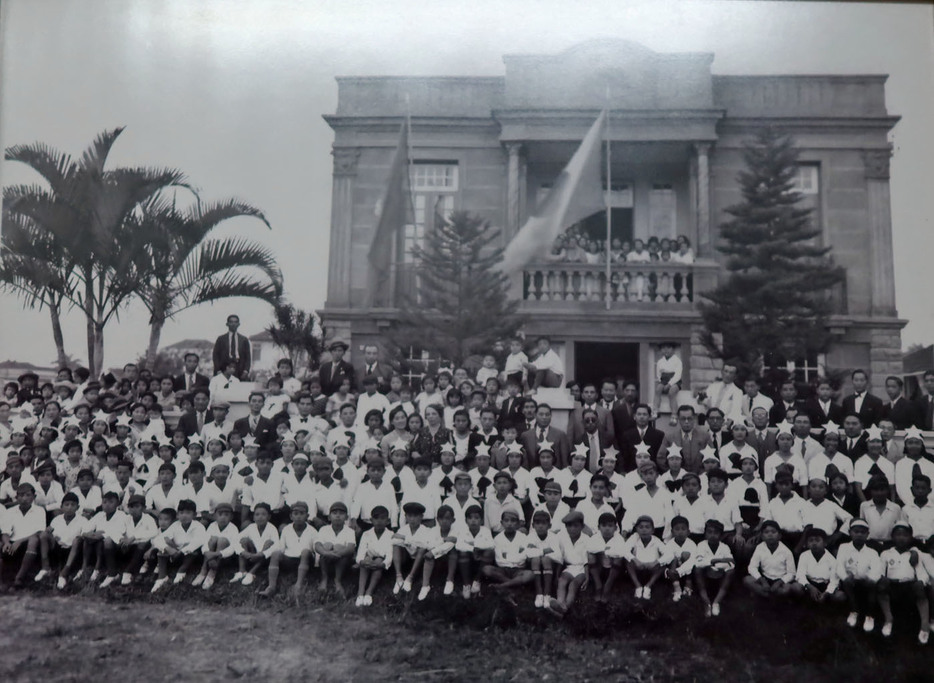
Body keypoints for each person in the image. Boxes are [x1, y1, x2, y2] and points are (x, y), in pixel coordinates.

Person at [878, 521, 929, 643]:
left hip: (909, 587)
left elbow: (922, 573)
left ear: (911, 538)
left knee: (919, 587)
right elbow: (880, 572)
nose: (901, 538)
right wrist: (882, 579)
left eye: (905, 535)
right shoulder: (886, 554)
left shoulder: (914, 554)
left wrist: (921, 581)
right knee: (882, 585)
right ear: (892, 537)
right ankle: (888, 619)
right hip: (893, 586)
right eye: (898, 534)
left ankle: (924, 625)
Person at [259, 501, 316, 599]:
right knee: (276, 553)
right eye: (296, 514)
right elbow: (281, 547)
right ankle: (271, 587)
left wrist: (317, 566)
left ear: (307, 516)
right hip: (289, 559)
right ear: (291, 516)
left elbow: (316, 550)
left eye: (302, 514)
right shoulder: (286, 529)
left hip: (305, 560)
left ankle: (298, 585)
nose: (298, 517)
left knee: (306, 551)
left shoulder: (312, 531)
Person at [836, 518, 883, 632]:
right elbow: (839, 566)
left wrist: (871, 579)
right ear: (850, 533)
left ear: (867, 534)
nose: (859, 534)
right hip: (850, 582)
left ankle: (869, 615)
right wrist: (845, 577)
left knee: (873, 587)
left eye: (863, 532)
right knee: (847, 584)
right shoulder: (843, 548)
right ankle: (854, 611)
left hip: (866, 582)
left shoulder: (872, 552)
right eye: (856, 531)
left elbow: (877, 568)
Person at [151, 498, 206, 592]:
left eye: (188, 513)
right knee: (162, 550)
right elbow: (158, 539)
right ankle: (162, 577)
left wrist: (181, 551)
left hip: (191, 556)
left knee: (192, 550)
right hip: (175, 553)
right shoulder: (175, 525)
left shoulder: (198, 526)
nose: (184, 516)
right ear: (177, 515)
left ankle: (182, 570)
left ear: (194, 515)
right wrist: (168, 548)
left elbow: (198, 541)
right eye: (181, 513)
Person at [481, 509, 535, 600]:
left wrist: (513, 558)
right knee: (487, 569)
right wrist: (514, 557)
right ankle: (513, 585)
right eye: (506, 521)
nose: (509, 524)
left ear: (518, 523)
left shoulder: (523, 537)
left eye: (513, 521)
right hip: (502, 570)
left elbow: (523, 556)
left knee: (530, 574)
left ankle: (502, 586)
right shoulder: (498, 539)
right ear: (502, 523)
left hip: (518, 569)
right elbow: (500, 559)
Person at [0, 483, 46, 587]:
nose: (24, 498)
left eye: (28, 495)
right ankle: (1, 582)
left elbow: (39, 531)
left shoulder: (40, 510)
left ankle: (19, 578)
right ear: (16, 498)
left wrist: (19, 541)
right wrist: (7, 542)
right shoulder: (10, 511)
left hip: (29, 543)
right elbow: (5, 531)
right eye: (21, 495)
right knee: (1, 544)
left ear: (34, 497)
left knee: (33, 540)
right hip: (13, 543)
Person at [546, 510, 589, 616]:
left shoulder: (586, 539)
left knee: (573, 585)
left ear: (582, 526)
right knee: (562, 581)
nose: (572, 529)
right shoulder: (562, 538)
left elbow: (587, 561)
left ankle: (565, 608)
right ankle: (560, 603)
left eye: (576, 526)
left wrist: (587, 578)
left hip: (581, 569)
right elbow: (559, 557)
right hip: (569, 567)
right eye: (569, 526)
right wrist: (557, 574)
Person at [693, 519, 735, 617]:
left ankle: (716, 602)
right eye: (709, 532)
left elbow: (731, 563)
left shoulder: (724, 547)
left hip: (720, 575)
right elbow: (698, 563)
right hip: (705, 574)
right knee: (697, 570)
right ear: (705, 534)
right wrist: (715, 561)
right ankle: (706, 602)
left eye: (716, 533)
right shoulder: (701, 545)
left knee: (731, 572)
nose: (712, 535)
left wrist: (715, 565)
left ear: (721, 535)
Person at [391, 501, 434, 599]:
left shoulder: (425, 530)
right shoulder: (403, 529)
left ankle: (410, 577)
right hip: (407, 558)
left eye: (415, 516)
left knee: (422, 548)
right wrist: (406, 538)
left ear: (421, 517)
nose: (412, 519)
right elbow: (394, 539)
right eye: (409, 516)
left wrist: (405, 538)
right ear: (405, 517)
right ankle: (398, 576)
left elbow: (425, 544)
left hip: (420, 560)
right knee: (396, 545)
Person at [791, 528, 845, 604]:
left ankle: (825, 603)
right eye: (811, 540)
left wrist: (826, 593)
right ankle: (805, 603)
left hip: (825, 586)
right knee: (795, 587)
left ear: (825, 543)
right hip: (810, 585)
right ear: (807, 544)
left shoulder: (832, 560)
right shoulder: (804, 555)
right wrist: (810, 587)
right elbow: (800, 575)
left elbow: (834, 581)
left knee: (840, 596)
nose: (814, 543)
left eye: (817, 540)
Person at [193, 502, 240, 590]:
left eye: (226, 515)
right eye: (220, 514)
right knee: (213, 539)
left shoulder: (233, 528)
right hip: (209, 556)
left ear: (231, 517)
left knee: (222, 540)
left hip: (223, 558)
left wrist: (216, 554)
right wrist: (207, 553)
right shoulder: (212, 526)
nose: (223, 517)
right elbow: (205, 542)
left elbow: (233, 548)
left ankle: (212, 573)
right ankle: (203, 571)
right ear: (215, 516)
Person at [231, 501, 279, 588]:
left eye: (263, 514)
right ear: (253, 517)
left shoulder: (272, 529)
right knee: (244, 540)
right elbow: (235, 540)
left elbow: (277, 546)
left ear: (269, 517)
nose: (260, 517)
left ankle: (252, 572)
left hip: (264, 558)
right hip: (251, 555)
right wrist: (243, 552)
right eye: (257, 515)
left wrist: (262, 554)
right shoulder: (251, 527)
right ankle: (242, 571)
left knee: (269, 543)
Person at [743, 520, 795, 599]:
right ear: (762, 536)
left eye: (773, 532)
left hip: (780, 580)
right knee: (747, 580)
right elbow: (752, 567)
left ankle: (766, 596)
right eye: (766, 532)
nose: (770, 535)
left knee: (787, 589)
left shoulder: (786, 551)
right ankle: (769, 596)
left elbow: (791, 573)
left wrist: (779, 582)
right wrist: (762, 581)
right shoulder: (760, 548)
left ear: (779, 535)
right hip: (765, 578)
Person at [355, 505, 394, 606]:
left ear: (388, 521)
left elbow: (389, 555)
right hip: (369, 560)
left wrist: (382, 564)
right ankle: (360, 593)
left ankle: (369, 592)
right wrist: (362, 561)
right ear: (371, 520)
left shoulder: (390, 535)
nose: (379, 521)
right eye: (376, 518)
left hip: (381, 563)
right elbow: (360, 553)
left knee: (378, 561)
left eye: (382, 518)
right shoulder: (366, 534)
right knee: (365, 560)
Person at [624, 515, 670, 600]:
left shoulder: (656, 540)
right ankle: (638, 586)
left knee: (663, 563)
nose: (644, 530)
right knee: (628, 561)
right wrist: (636, 560)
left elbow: (669, 554)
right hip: (638, 567)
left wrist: (655, 562)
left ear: (652, 530)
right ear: (637, 529)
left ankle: (648, 586)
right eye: (641, 527)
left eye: (647, 527)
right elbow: (624, 550)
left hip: (652, 568)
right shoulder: (634, 537)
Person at [454, 504, 494, 599]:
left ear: (482, 521)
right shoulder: (463, 531)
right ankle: (466, 584)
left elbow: (491, 544)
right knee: (463, 552)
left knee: (489, 552)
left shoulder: (486, 531)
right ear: (466, 521)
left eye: (476, 518)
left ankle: (477, 581)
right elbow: (458, 545)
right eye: (470, 518)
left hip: (481, 559)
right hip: (468, 558)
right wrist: (472, 549)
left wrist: (476, 547)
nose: (473, 520)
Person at [211, 314, 251, 378]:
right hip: (224, 368)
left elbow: (248, 357)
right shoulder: (221, 339)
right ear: (227, 324)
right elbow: (215, 355)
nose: (233, 324)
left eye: (235, 322)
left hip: (239, 369)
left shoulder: (244, 339)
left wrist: (246, 370)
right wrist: (218, 370)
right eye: (231, 322)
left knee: (239, 387)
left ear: (238, 324)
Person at [652, 343, 682, 424]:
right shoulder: (660, 362)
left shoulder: (677, 361)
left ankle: (674, 415)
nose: (666, 350)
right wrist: (661, 383)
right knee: (658, 390)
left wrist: (669, 384)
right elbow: (658, 375)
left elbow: (678, 375)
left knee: (671, 392)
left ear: (673, 349)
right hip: (663, 380)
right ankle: (655, 410)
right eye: (663, 348)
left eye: (668, 347)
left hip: (674, 381)